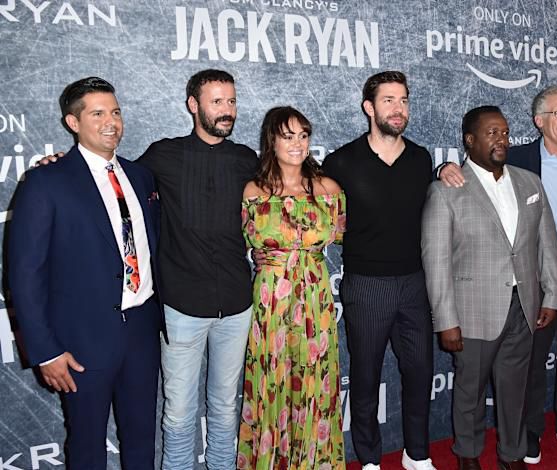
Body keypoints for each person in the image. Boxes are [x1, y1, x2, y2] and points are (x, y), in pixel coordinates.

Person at [38, 69, 258, 470]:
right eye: (216, 101)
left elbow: (286, 181)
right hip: (180, 308)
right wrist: (58, 165)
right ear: (193, 105)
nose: (226, 110)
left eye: (231, 101)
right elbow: (100, 177)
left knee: (226, 406)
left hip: (237, 304)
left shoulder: (247, 160)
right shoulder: (160, 157)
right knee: (178, 411)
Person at [440, 87, 557, 464]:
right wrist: (442, 169)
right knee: (529, 364)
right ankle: (530, 432)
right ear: (539, 121)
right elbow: (474, 169)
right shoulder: (518, 159)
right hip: (532, 281)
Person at [8, 77, 162, 469]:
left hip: (142, 329)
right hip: (80, 340)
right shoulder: (46, 181)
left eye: (115, 112)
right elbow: (25, 274)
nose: (111, 122)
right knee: (87, 444)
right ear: (73, 122)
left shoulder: (140, 176)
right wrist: (45, 350)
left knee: (142, 438)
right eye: (97, 114)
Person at [422, 106, 557, 470]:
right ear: (469, 140)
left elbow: (547, 244)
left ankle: (512, 454)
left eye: (504, 132)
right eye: (491, 133)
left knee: (514, 389)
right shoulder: (446, 191)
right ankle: (468, 455)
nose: (501, 139)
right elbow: (436, 262)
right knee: (469, 390)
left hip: (524, 306)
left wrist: (552, 294)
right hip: (472, 310)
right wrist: (446, 321)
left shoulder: (530, 183)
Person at [322, 71, 437, 470]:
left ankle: (417, 454)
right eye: (388, 100)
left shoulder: (421, 159)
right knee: (366, 376)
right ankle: (370, 459)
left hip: (415, 284)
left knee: (420, 372)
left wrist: (445, 170)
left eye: (403, 100)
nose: (398, 108)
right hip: (366, 285)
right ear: (369, 108)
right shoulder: (341, 162)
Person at [236, 106, 346, 469]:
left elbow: (345, 236)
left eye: (303, 135)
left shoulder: (329, 190)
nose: (297, 143)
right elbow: (240, 242)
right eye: (288, 136)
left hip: (315, 297)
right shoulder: (253, 192)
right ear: (272, 141)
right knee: (271, 381)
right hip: (271, 299)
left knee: (316, 381)